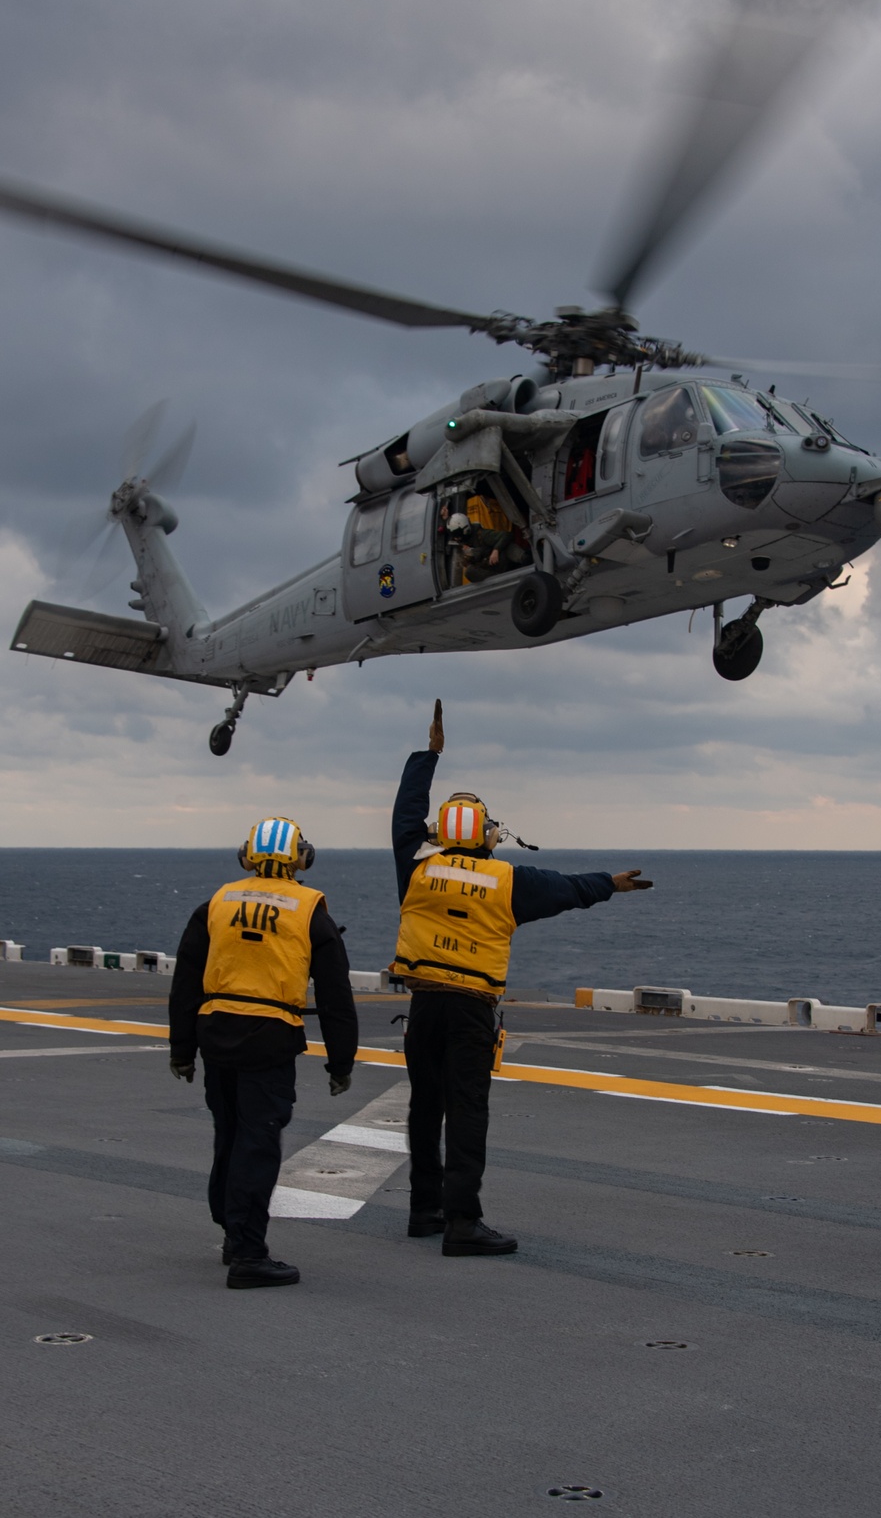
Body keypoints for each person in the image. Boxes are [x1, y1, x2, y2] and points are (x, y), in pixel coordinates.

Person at [392, 701, 652, 1257]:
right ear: (486, 833)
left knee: (424, 1106)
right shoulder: (508, 880)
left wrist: (429, 755)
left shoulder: (416, 866)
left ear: (439, 833)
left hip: (424, 1010)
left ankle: (423, 1209)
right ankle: (463, 1222)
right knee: (467, 1109)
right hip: (469, 1011)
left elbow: (404, 813)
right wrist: (612, 883)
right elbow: (568, 888)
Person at [169, 817, 357, 1289]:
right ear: (302, 859)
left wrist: (182, 1051)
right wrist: (341, 1062)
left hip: (215, 1034)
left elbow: (186, 982)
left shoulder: (217, 902)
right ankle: (249, 1254)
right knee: (258, 1143)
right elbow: (335, 995)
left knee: (228, 1134)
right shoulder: (309, 910)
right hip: (270, 1039)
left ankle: (233, 1233)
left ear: (246, 854)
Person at [446, 511, 529, 584]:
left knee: (508, 547)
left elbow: (506, 535)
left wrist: (496, 550)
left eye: (457, 536)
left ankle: (526, 560)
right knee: (469, 571)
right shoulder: (463, 546)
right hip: (492, 573)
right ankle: (499, 582)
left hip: (502, 562)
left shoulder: (482, 535)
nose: (456, 539)